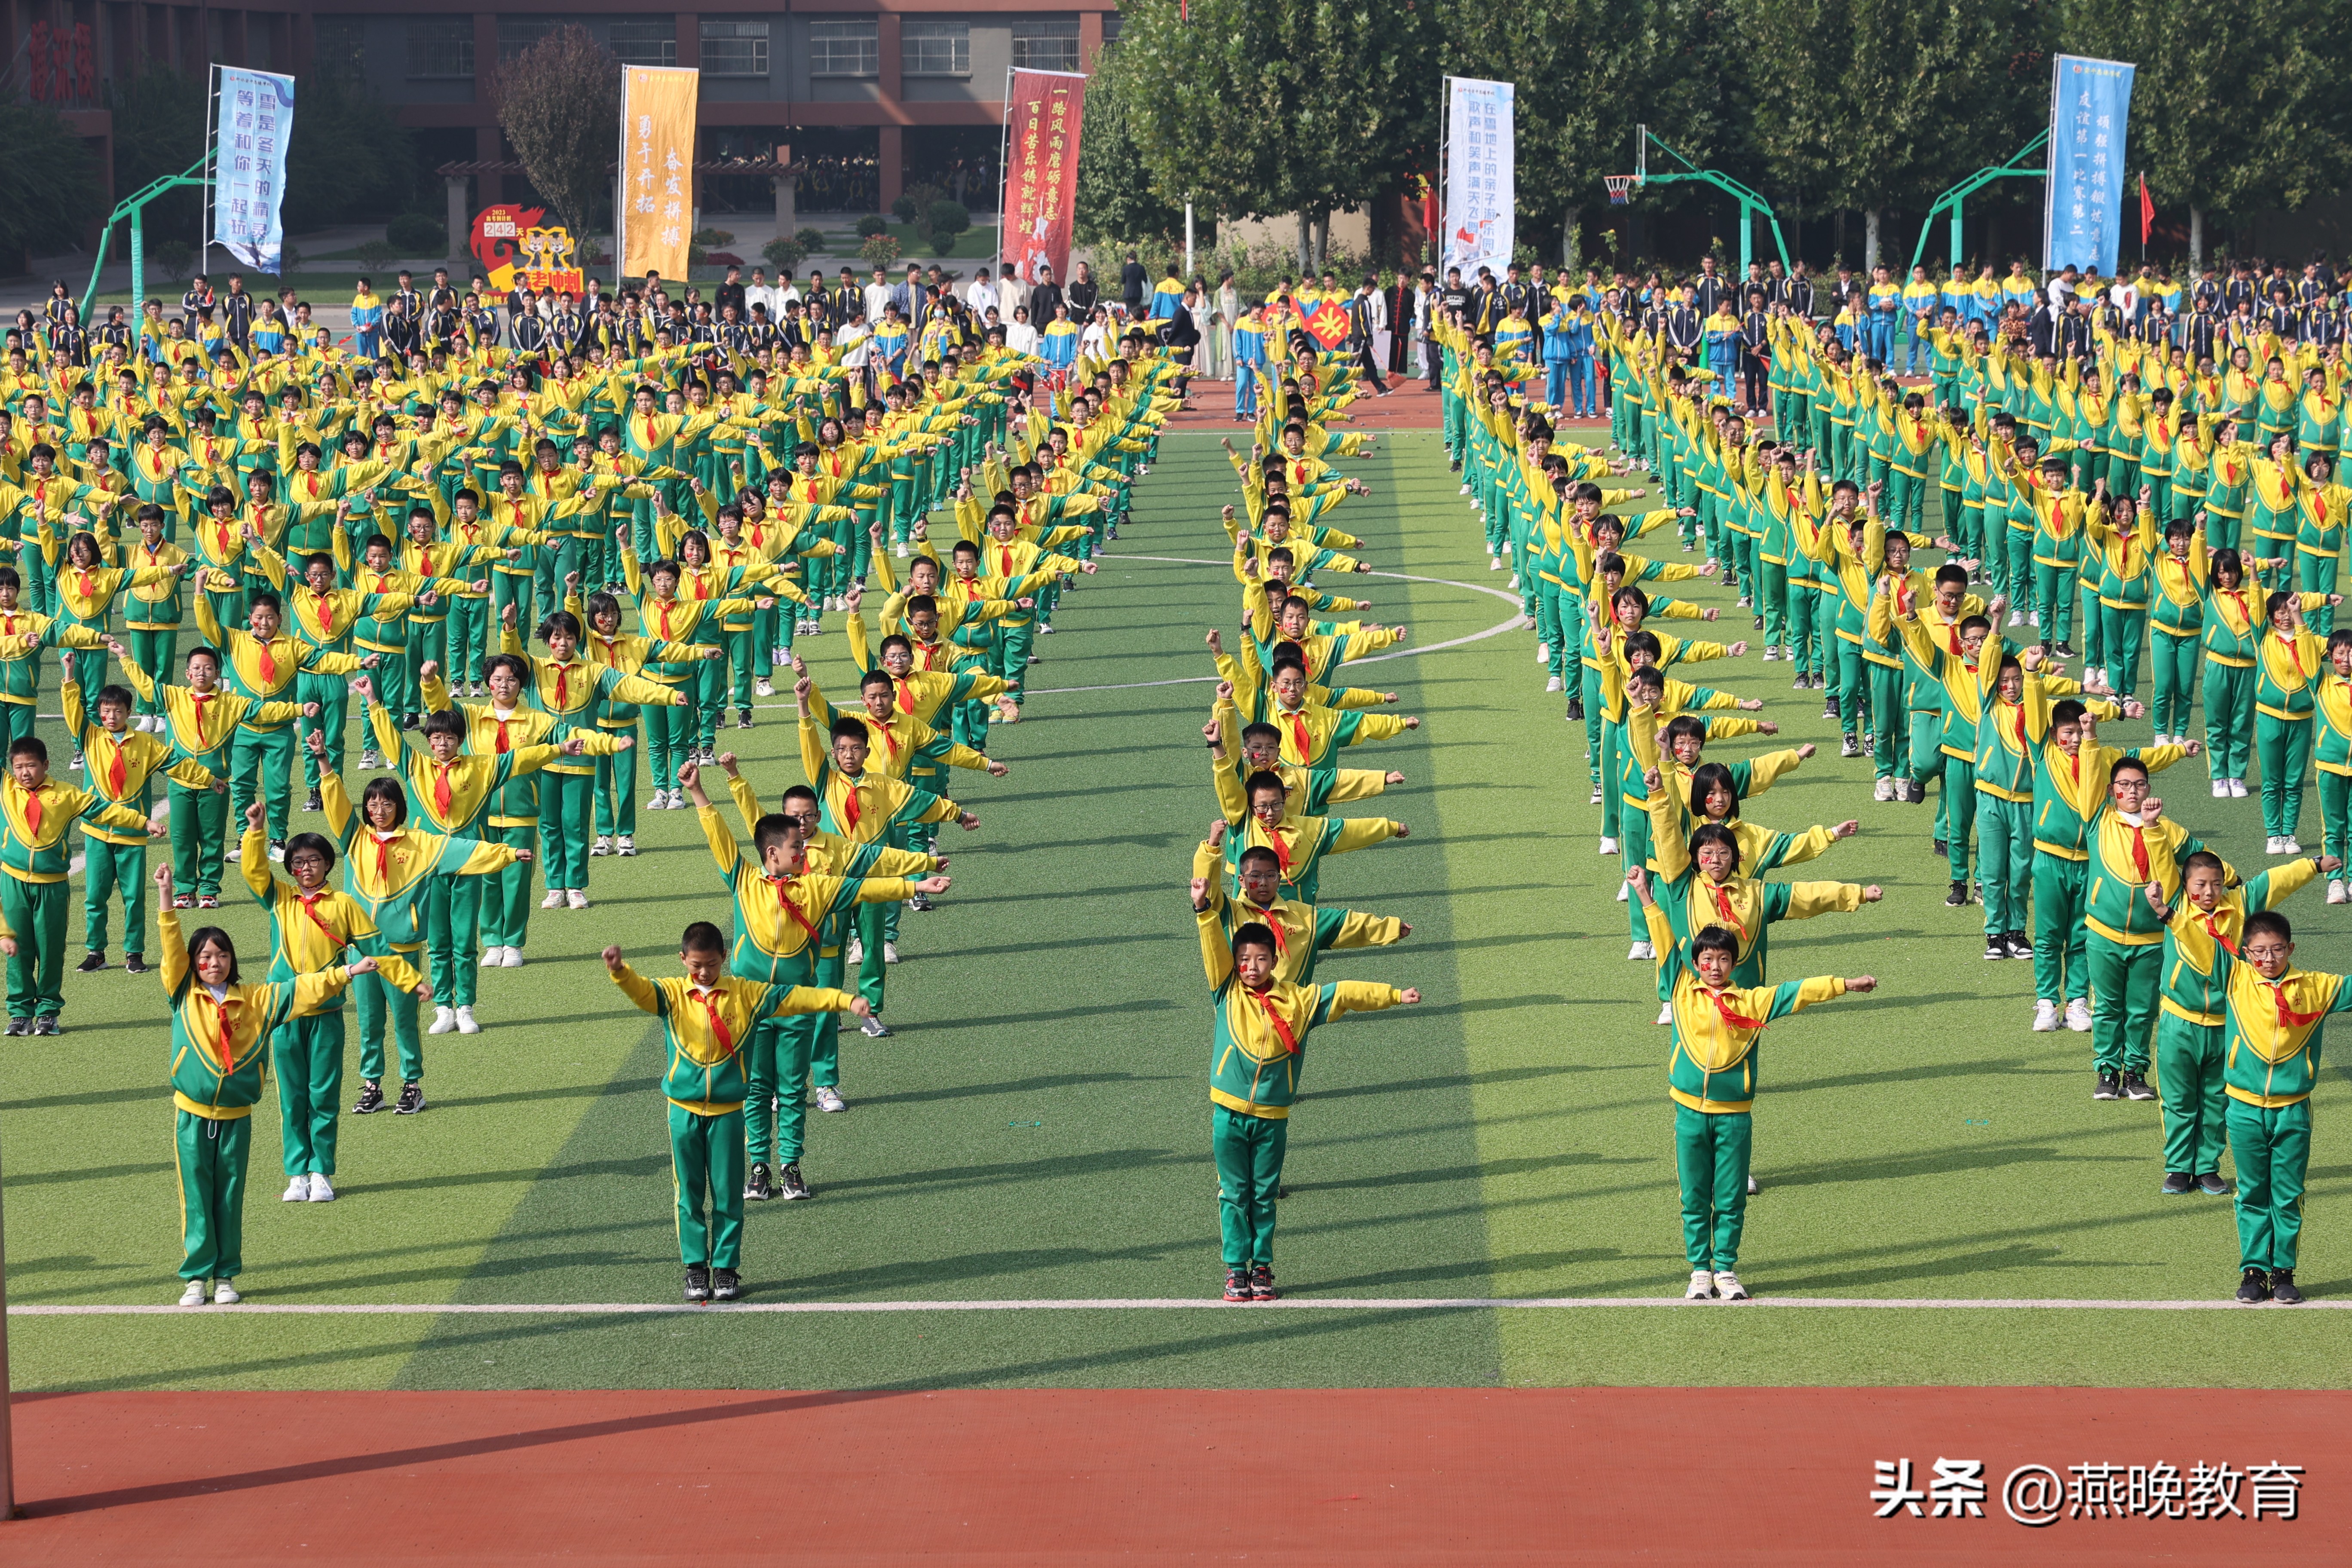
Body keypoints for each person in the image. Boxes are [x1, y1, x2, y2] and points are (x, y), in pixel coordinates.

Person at [1628, 866, 1875, 1301]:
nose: (1716, 966)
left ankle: (1725, 1269)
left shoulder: (1752, 1000)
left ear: (1735, 962)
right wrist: (1647, 895)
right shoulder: (1682, 990)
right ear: (1697, 963)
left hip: (1735, 1117)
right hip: (1689, 1112)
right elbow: (1665, 941)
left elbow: (1798, 992)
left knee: (1730, 1196)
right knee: (1694, 1195)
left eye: (1724, 960)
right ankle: (1699, 1272)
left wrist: (1845, 984)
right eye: (1708, 959)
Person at [604, 925, 867, 1303]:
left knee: (728, 1196)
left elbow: (797, 997)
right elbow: (641, 991)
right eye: (696, 965)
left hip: (729, 1114)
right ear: (683, 960)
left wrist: (844, 1001)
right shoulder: (672, 994)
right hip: (682, 1112)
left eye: (711, 965)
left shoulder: (746, 994)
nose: (704, 973)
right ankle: (696, 1269)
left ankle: (726, 1270)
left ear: (723, 958)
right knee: (688, 1194)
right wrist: (619, 972)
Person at [1190, 890, 1417, 1302]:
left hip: (1273, 1118)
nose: (1251, 967)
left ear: (1275, 960)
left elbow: (1345, 993)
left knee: (1264, 1193)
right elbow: (1211, 942)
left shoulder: (1301, 1001)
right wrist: (1204, 910)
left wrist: (1394, 995)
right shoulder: (1226, 991)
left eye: (1260, 959)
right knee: (1233, 1193)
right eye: (1244, 960)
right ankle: (1235, 1270)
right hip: (1228, 1114)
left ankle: (1262, 1268)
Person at [155, 871, 369, 1305]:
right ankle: (197, 1278)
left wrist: (347, 971)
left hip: (237, 1119)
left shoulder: (256, 999)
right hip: (192, 1115)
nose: (212, 963)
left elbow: (302, 988)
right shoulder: (182, 994)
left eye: (221, 956)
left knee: (229, 1200)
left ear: (232, 960)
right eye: (205, 957)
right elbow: (171, 948)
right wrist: (165, 898)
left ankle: (226, 1278)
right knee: (196, 1197)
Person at [238, 800, 430, 1203]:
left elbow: (378, 947)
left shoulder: (344, 905)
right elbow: (254, 872)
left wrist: (410, 981)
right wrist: (255, 831)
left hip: (326, 1015)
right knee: (292, 1098)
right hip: (285, 1013)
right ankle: (296, 1174)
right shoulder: (280, 899)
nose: (305, 868)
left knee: (323, 1095)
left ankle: (321, 1171)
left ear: (328, 864)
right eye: (297, 863)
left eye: (314, 861)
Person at [2143, 847, 2331, 1201]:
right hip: (2178, 1022)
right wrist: (2152, 827)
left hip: (2228, 1024)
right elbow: (2154, 858)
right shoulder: (2175, 906)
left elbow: (2277, 880)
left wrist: (2315, 865)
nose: (2210, 893)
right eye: (2200, 885)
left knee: (2217, 1100)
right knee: (2179, 1098)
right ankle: (2179, 1167)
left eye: (2216, 884)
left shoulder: (2241, 903)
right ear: (2185, 886)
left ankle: (2208, 1167)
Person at [2208, 911, 2348, 1304]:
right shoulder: (2235, 979)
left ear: (2291, 949)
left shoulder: (2317, 987)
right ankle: (2253, 1270)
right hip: (2244, 1108)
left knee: (2287, 1193)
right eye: (2259, 952)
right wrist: (2168, 914)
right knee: (2252, 1191)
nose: (2268, 959)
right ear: (2246, 953)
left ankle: (2284, 1272)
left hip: (2294, 1109)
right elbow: (2197, 941)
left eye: (2276, 950)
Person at [0, 733, 164, 1031]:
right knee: (17, 948)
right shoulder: (5, 789)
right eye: (19, 767)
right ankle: (20, 1013)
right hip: (13, 882)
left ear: (46, 765)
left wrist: (144, 822)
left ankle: (48, 1010)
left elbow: (105, 810)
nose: (25, 773)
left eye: (32, 766)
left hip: (52, 886)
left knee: (50, 950)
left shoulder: (66, 794)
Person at [60, 678, 219, 977]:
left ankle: (134, 952)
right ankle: (96, 952)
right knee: (95, 896)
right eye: (105, 711)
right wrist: (69, 680)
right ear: (99, 713)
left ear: (129, 712)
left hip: (133, 837)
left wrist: (210, 779)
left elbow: (178, 763)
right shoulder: (90, 737)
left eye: (117, 711)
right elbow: (72, 712)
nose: (111, 717)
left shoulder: (145, 744)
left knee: (134, 898)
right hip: (97, 832)